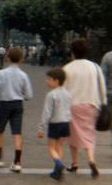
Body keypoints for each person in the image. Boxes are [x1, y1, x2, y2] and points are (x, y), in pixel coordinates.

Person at [62, 39, 107, 178]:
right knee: (89, 133)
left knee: (72, 135)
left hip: (73, 105)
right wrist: (103, 103)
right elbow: (101, 86)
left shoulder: (67, 68)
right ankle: (91, 160)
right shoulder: (95, 67)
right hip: (91, 104)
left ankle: (75, 163)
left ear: (72, 52)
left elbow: (62, 90)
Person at [0, 47, 33, 172]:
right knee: (17, 133)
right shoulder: (24, 75)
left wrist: (1, 94)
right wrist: (20, 95)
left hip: (4, 103)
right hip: (18, 104)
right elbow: (29, 95)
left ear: (7, 57)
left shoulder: (1, 73)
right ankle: (17, 162)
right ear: (22, 60)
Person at [37, 68, 72, 180]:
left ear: (56, 81)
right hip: (66, 123)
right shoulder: (67, 93)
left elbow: (47, 112)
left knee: (51, 147)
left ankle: (58, 164)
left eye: (49, 79)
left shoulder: (51, 94)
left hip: (55, 124)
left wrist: (41, 127)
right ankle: (57, 171)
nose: (47, 81)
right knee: (59, 146)